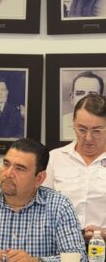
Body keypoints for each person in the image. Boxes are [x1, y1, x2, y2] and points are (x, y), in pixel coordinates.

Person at [45, 94, 106, 243]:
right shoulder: (55, 158)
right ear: (73, 123)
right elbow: (41, 208)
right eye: (82, 129)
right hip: (61, 246)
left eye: (97, 131)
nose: (88, 138)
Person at [61, 71, 104, 139]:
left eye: (92, 94)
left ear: (102, 100)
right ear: (72, 98)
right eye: (80, 93)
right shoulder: (61, 123)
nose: (85, 98)